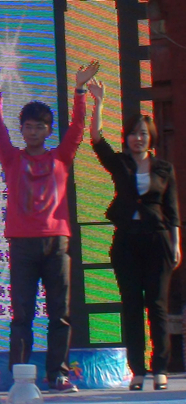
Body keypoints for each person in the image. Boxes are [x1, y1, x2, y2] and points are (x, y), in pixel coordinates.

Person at [0, 60, 99, 392]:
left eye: (39, 127)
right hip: (22, 244)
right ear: (22, 130)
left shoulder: (60, 158)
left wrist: (79, 90)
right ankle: (20, 378)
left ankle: (57, 373)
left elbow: (77, 128)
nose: (33, 132)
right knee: (22, 315)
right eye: (28, 127)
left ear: (48, 131)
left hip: (56, 242)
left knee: (60, 313)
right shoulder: (12, 158)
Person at [87, 80, 181, 391]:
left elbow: (172, 210)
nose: (138, 138)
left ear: (150, 137)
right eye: (133, 133)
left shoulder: (164, 168)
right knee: (130, 306)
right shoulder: (121, 163)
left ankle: (161, 368)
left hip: (157, 240)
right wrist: (99, 103)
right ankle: (137, 371)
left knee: (157, 305)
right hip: (127, 240)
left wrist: (176, 245)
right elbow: (96, 139)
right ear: (126, 137)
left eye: (143, 133)